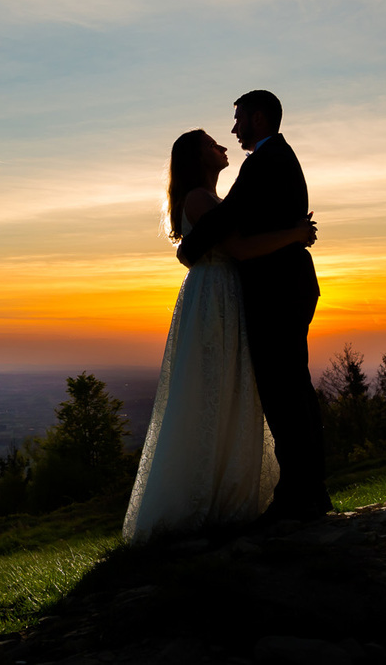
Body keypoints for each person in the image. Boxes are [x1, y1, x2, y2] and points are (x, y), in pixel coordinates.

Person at [123, 128, 317, 542]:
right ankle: (207, 496)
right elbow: (241, 248)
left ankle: (227, 488)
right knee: (216, 387)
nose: (224, 146)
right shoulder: (198, 197)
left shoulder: (209, 198)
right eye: (213, 144)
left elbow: (210, 242)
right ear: (197, 157)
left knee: (225, 389)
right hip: (217, 296)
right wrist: (296, 233)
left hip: (221, 292)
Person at [177, 90, 331, 523]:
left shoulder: (264, 161)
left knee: (284, 394)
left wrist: (188, 249)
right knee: (292, 388)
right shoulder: (276, 158)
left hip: (278, 289)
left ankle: (298, 495)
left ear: (259, 119)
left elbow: (227, 221)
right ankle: (308, 489)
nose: (233, 129)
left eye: (239, 119)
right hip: (288, 285)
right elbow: (236, 220)